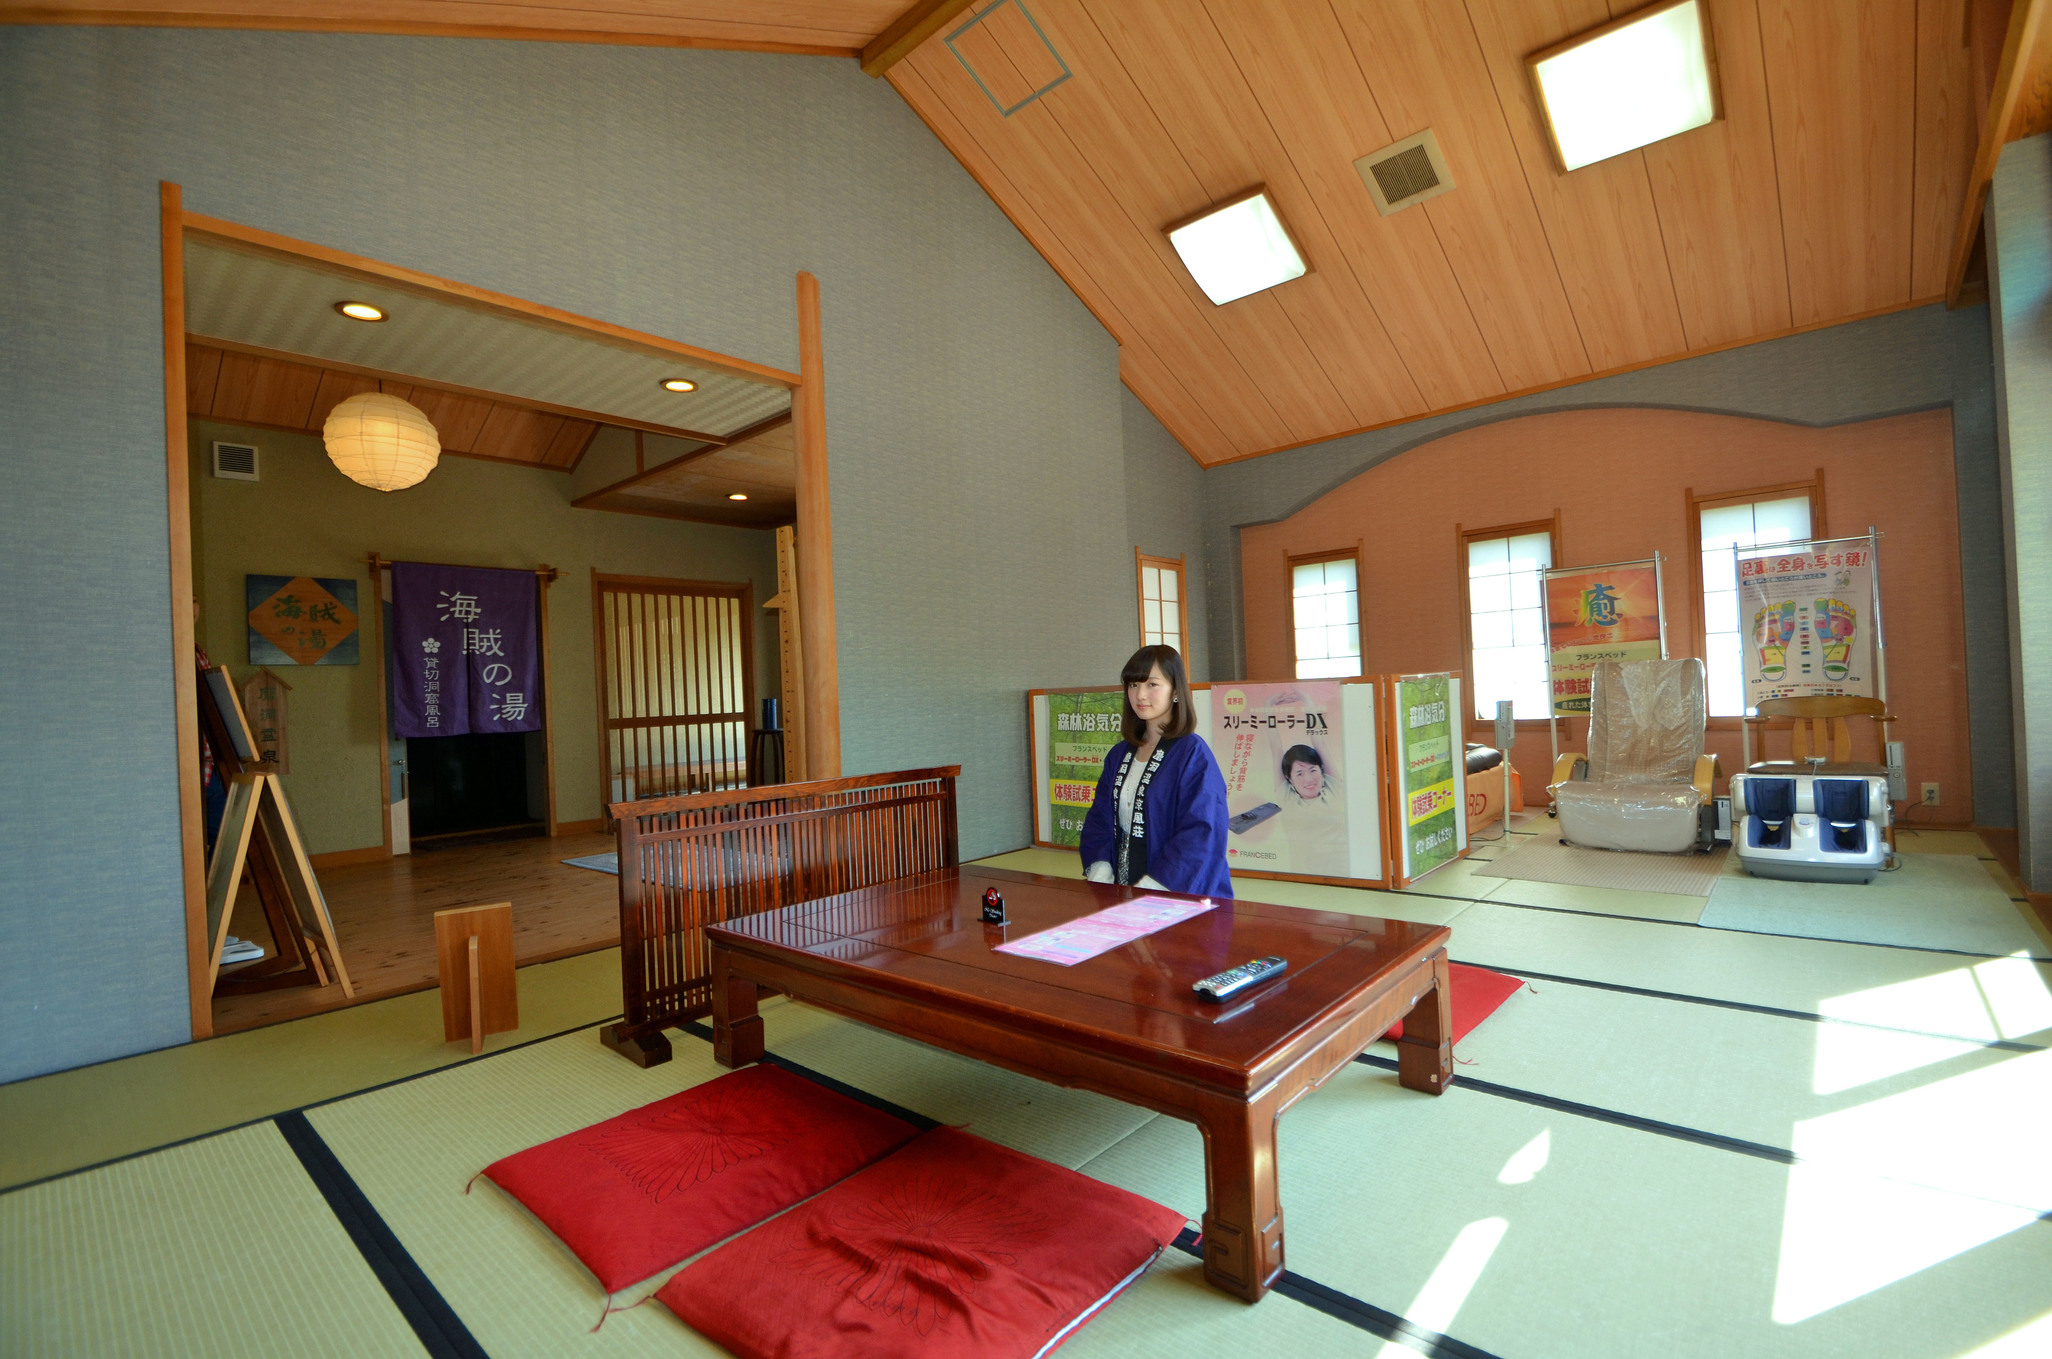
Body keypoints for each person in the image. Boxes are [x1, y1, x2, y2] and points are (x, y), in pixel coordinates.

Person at [1079, 644, 1232, 898]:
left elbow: (1202, 832)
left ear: (1174, 690)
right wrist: (1102, 874)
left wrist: (1153, 889)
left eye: (1152, 684)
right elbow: (1099, 819)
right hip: (1123, 892)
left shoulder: (1193, 754)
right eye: (1133, 685)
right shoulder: (1119, 755)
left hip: (1178, 895)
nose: (1140, 695)